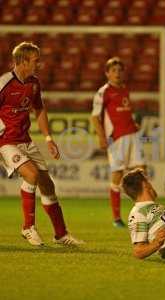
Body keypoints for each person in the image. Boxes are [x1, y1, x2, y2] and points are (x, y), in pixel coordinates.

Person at [0, 41, 83, 246]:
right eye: (36, 61)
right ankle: (28, 227)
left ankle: (61, 234)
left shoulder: (34, 82)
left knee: (48, 185)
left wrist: (48, 138)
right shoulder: (3, 84)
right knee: (32, 175)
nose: (39, 64)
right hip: (6, 141)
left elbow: (39, 109)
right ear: (23, 61)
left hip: (25, 140)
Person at [91, 57, 145, 228]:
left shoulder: (124, 89)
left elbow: (125, 110)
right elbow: (94, 116)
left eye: (120, 70)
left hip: (132, 135)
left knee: (141, 172)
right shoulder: (103, 92)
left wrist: (133, 123)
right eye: (113, 70)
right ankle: (116, 218)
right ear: (107, 73)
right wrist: (101, 137)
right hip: (116, 138)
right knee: (118, 175)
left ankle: (142, 213)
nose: (117, 73)